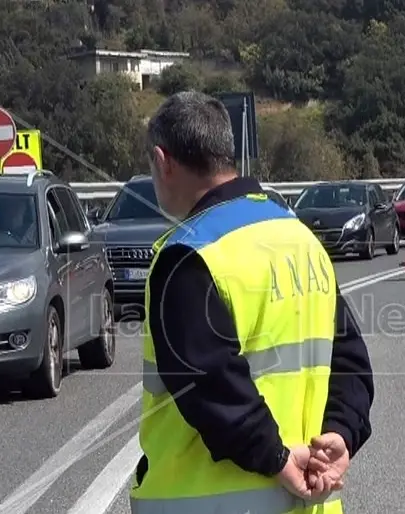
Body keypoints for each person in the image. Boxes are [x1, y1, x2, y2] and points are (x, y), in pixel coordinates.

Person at [130, 90, 375, 514]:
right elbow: (350, 359)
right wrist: (341, 433)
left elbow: (208, 381)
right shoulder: (301, 239)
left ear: (163, 161)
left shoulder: (189, 254)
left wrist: (276, 459)